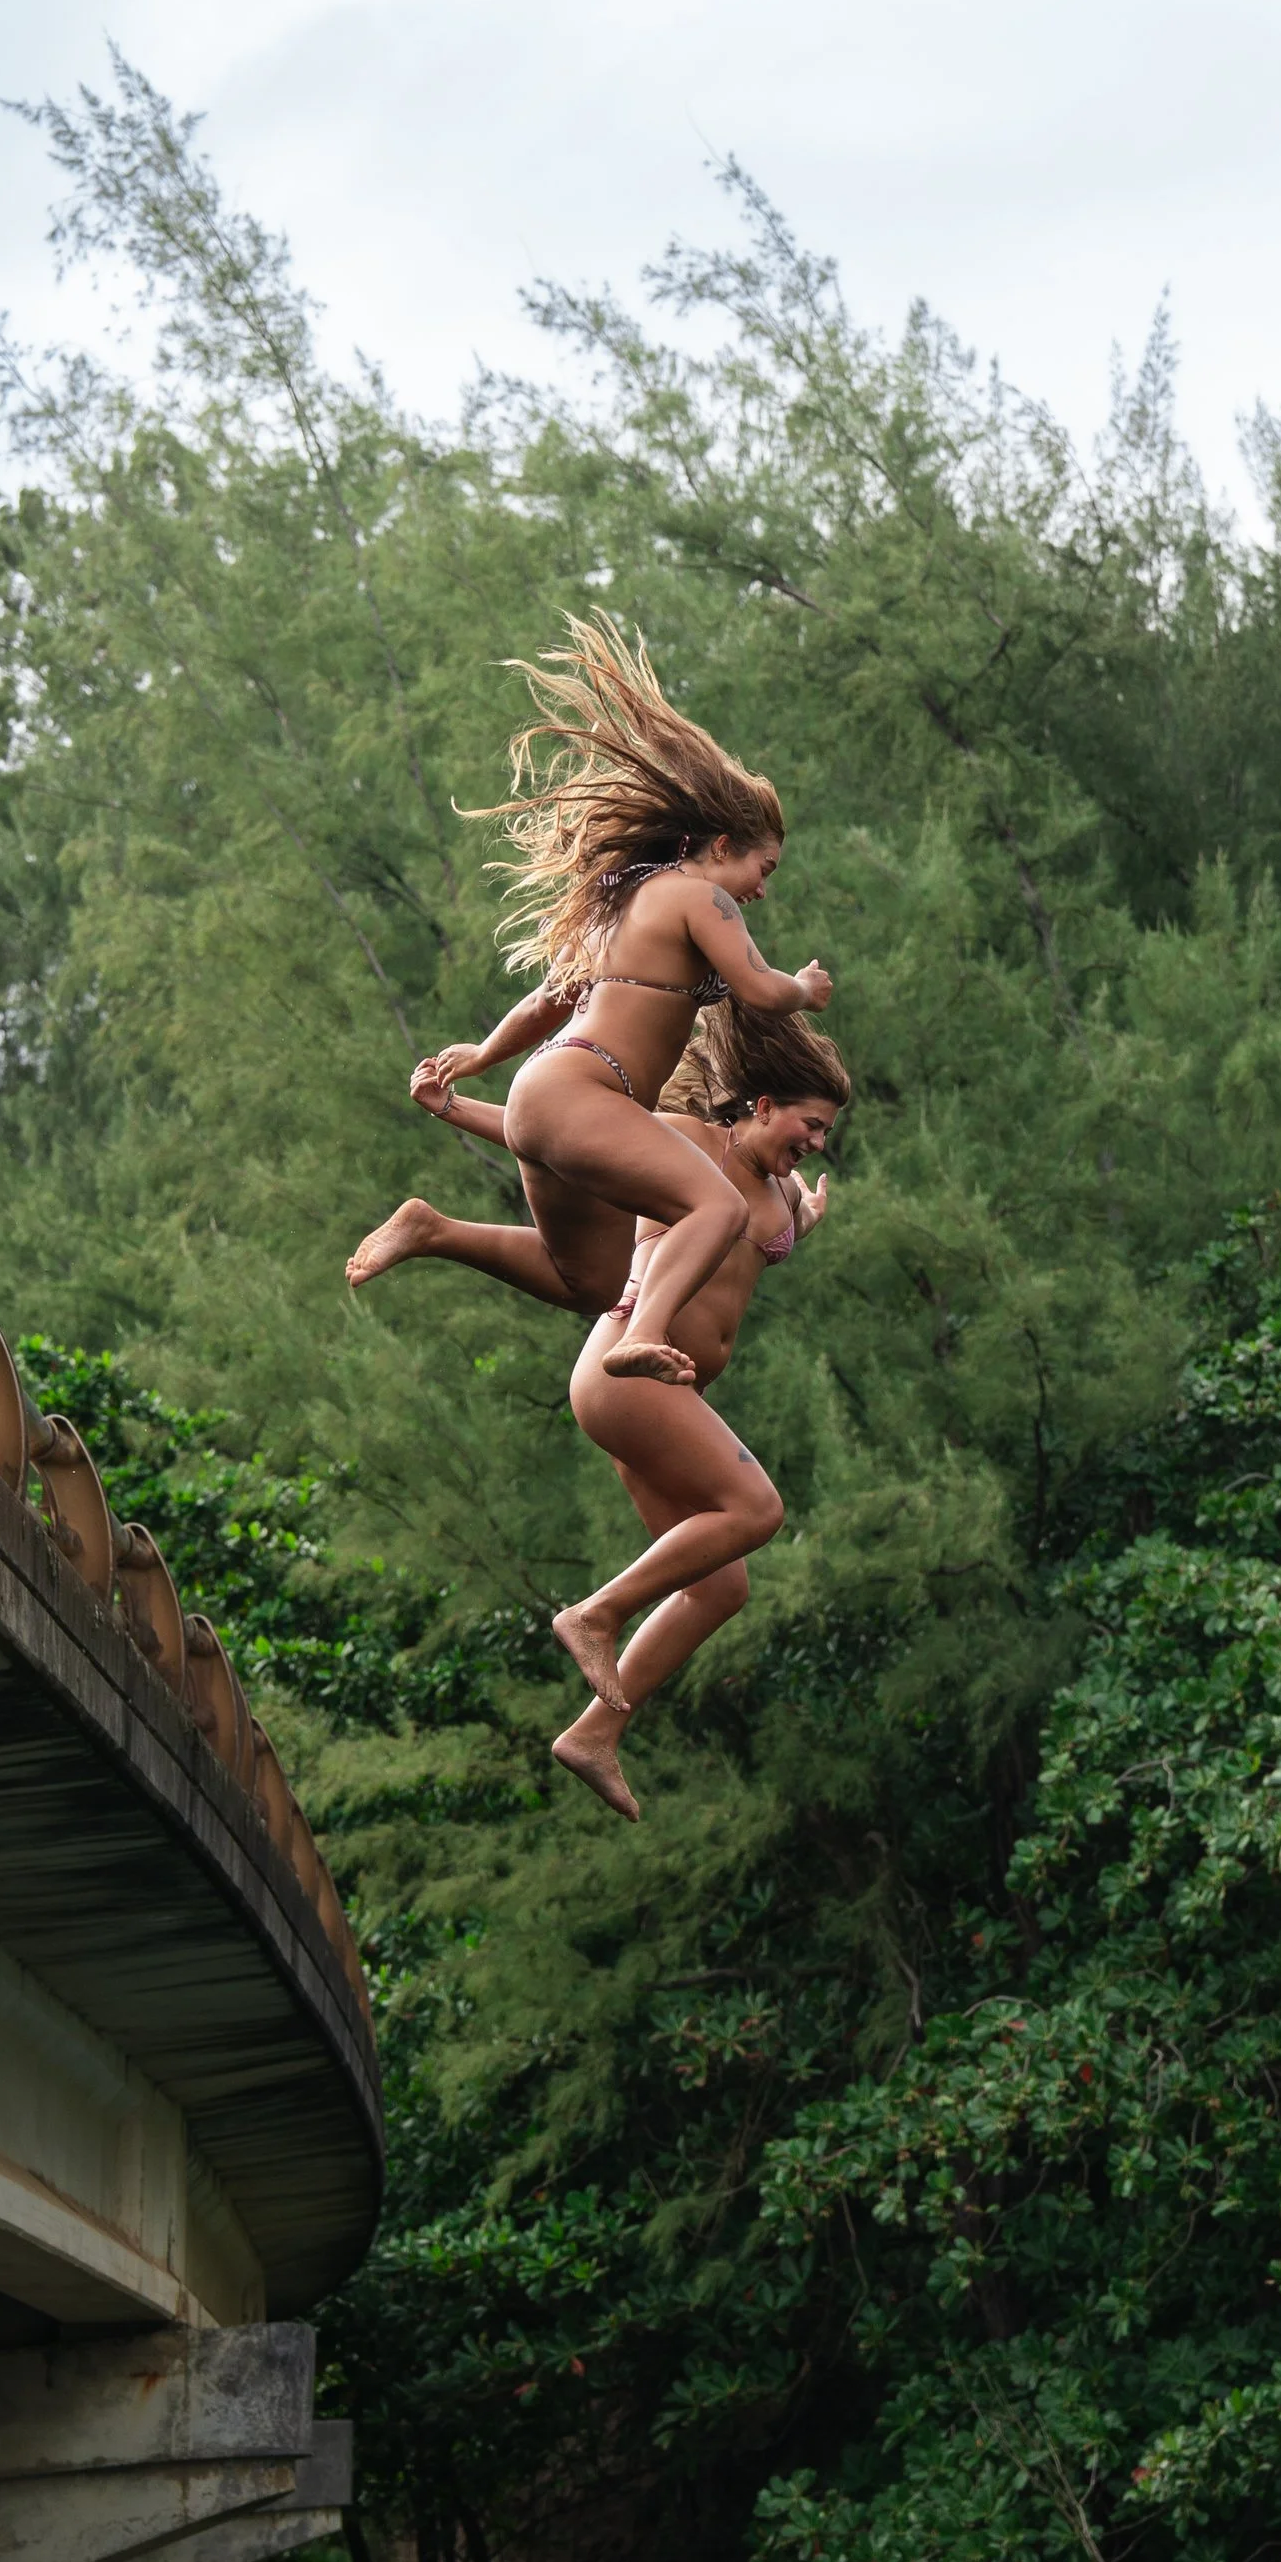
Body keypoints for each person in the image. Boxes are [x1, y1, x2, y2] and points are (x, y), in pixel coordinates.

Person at [343, 616, 831, 1388]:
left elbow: (550, 996)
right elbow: (762, 993)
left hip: (547, 1091)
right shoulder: (702, 898)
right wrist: (804, 987)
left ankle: (433, 1230)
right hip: (584, 1089)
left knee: (592, 1281)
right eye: (762, 868)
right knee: (718, 1212)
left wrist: (480, 1057)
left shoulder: (633, 907)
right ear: (720, 845)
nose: (762, 889)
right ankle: (644, 1332)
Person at [549, 1008, 849, 1822]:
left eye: (824, 1132)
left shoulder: (780, 1187)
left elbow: (765, 1238)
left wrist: (804, 1220)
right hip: (626, 1369)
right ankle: (596, 1614)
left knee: (720, 1589)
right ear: (759, 1104)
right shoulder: (684, 1140)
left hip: (665, 1395)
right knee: (757, 1508)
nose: (816, 1142)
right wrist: (470, 1107)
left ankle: (595, 1735)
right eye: (809, 1124)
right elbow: (562, 1127)